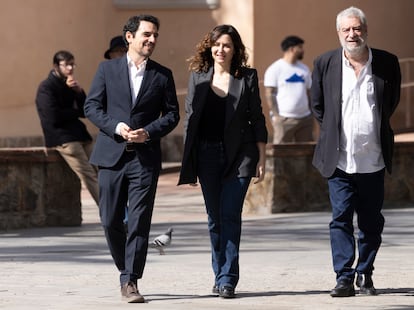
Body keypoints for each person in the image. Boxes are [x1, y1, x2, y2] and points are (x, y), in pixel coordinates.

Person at [84, 15, 179, 303]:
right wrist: (116, 126)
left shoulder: (162, 75)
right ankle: (125, 268)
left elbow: (173, 114)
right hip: (111, 155)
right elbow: (91, 106)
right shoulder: (107, 69)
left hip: (144, 159)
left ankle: (130, 280)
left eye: (155, 35)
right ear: (129, 37)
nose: (152, 40)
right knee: (109, 218)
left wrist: (148, 133)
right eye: (147, 34)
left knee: (139, 222)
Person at [310, 6, 401, 297]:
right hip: (339, 160)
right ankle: (344, 277)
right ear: (339, 32)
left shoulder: (387, 62)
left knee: (372, 221)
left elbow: (391, 102)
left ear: (365, 30)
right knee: (340, 218)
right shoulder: (325, 62)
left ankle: (366, 272)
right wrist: (335, 134)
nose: (352, 34)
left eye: (357, 28)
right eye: (346, 29)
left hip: (372, 158)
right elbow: (318, 106)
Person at [178, 24, 268, 299]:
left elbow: (257, 118)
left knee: (230, 215)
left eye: (227, 45)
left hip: (240, 155)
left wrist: (261, 156)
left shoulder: (247, 77)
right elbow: (190, 121)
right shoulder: (198, 77)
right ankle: (219, 274)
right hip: (206, 154)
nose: (221, 49)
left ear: (235, 49)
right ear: (209, 47)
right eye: (216, 44)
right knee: (214, 218)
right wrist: (189, 162)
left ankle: (228, 278)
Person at [35, 50, 99, 206]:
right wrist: (74, 111)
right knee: (89, 175)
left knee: (102, 171)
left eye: (72, 64)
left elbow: (86, 111)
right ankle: (114, 214)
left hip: (81, 135)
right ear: (56, 66)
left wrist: (79, 93)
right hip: (63, 138)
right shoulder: (46, 87)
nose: (70, 69)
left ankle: (119, 211)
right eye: (66, 65)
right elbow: (53, 116)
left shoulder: (70, 86)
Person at [264, 35, 313, 143]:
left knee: (305, 154)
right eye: (300, 47)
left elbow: (309, 92)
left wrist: (310, 113)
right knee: (280, 154)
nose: (303, 50)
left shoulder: (304, 69)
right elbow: (269, 94)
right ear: (292, 49)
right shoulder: (275, 69)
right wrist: (277, 117)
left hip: (305, 119)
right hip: (284, 119)